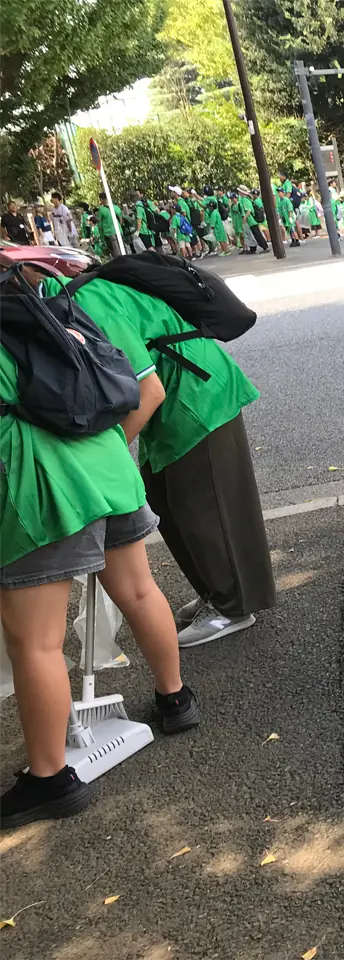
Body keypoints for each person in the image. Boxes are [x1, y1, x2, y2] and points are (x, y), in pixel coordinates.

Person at [0, 280, 201, 827]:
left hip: (44, 487)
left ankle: (49, 778)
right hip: (107, 464)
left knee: (35, 641)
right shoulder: (42, 311)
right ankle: (175, 699)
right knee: (139, 590)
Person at [43, 274, 276, 647]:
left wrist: (109, 454)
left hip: (198, 399)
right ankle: (216, 592)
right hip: (173, 407)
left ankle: (234, 607)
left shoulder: (89, 302)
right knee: (166, 503)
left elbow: (150, 390)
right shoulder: (63, 303)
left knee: (206, 508)